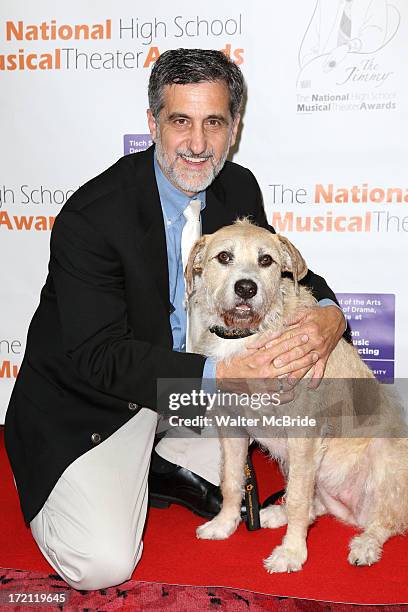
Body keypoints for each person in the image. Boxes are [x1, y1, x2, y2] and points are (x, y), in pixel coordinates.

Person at [5, 48, 346, 590]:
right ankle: (122, 465)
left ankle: (160, 463)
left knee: (288, 432)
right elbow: (99, 356)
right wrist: (224, 380)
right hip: (98, 401)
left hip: (187, 388)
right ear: (152, 124)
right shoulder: (92, 217)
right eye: (180, 121)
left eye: (214, 123)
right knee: (102, 566)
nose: (197, 144)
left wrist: (331, 316)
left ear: (234, 128)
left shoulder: (238, 186)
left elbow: (280, 269)